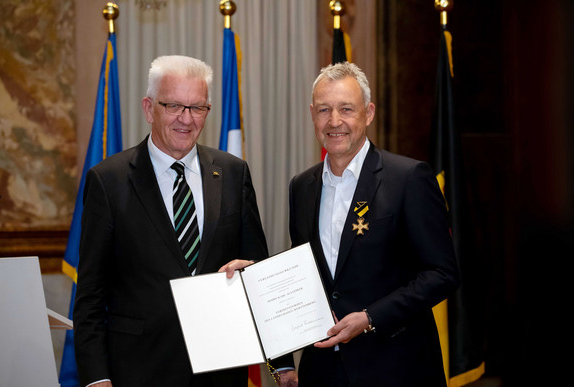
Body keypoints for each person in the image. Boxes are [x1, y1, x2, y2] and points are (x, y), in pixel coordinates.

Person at [73, 55, 280, 387]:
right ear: (148, 108)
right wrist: (97, 378)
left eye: (197, 108)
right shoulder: (108, 181)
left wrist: (281, 365)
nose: (186, 119)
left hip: (220, 371)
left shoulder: (232, 172)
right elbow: (90, 296)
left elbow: (259, 272)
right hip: (138, 371)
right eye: (174, 106)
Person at [288, 62, 460, 386]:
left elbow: (443, 274)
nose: (334, 121)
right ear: (312, 114)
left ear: (368, 114)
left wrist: (369, 318)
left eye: (346, 109)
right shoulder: (301, 187)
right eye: (324, 110)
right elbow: (305, 274)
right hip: (323, 372)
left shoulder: (408, 179)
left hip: (396, 368)